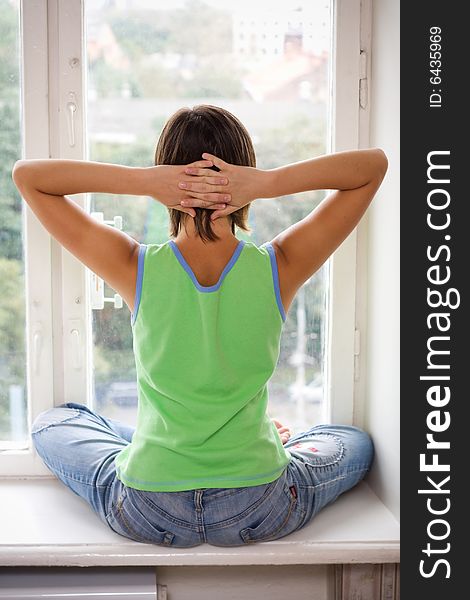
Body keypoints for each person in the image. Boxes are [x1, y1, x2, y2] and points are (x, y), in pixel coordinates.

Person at [12, 104, 387, 548]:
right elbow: (372, 166)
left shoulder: (134, 266)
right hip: (257, 501)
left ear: (166, 182)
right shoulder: (281, 264)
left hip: (151, 505)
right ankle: (250, 437)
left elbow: (29, 176)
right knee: (350, 440)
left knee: (57, 423)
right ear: (243, 177)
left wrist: (143, 182)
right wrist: (266, 183)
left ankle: (162, 442)